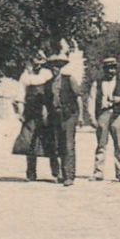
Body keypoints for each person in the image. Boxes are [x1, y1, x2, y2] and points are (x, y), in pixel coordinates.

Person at [86, 56, 120, 182]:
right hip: (103, 114)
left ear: (116, 69)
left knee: (119, 145)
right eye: (108, 69)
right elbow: (91, 100)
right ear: (104, 69)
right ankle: (98, 172)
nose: (111, 71)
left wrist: (119, 99)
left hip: (118, 115)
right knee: (101, 144)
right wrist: (91, 117)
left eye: (113, 68)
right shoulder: (97, 83)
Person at [14, 53, 60, 182]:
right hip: (30, 111)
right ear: (31, 61)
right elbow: (20, 95)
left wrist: (49, 110)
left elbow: (52, 92)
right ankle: (31, 173)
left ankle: (56, 172)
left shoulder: (47, 74)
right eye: (35, 61)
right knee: (30, 142)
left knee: (50, 141)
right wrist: (21, 112)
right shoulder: (25, 76)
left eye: (40, 62)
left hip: (46, 110)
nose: (38, 64)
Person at [40, 53, 82, 186]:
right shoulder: (47, 84)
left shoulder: (69, 79)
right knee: (55, 145)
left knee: (68, 145)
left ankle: (69, 176)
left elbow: (78, 97)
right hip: (54, 117)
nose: (55, 69)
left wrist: (80, 116)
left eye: (57, 67)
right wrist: (45, 116)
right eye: (52, 67)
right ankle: (57, 174)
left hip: (69, 115)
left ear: (61, 68)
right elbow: (45, 103)